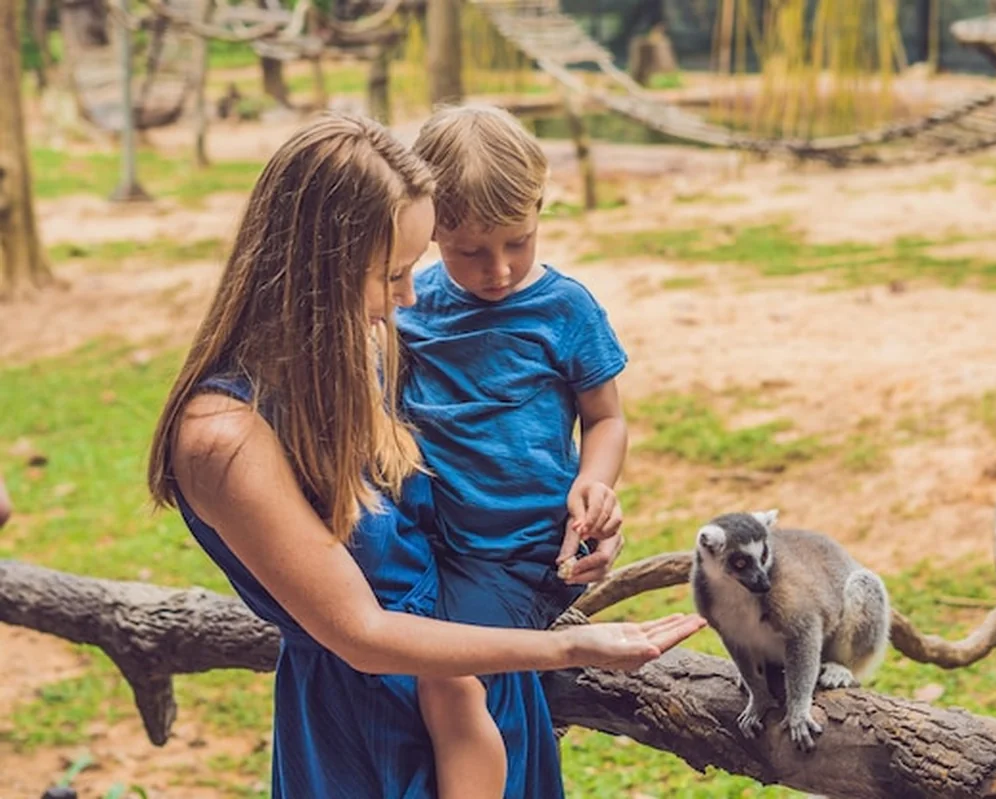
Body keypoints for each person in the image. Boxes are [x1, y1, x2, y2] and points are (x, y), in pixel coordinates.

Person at [145, 113, 704, 798]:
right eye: (395, 273)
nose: (412, 296)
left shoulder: (354, 354)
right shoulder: (223, 439)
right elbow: (361, 631)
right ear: (319, 273)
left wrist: (577, 518)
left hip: (479, 675)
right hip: (374, 721)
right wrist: (568, 647)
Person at [395, 103, 630, 798]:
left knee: (448, 674)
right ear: (429, 225)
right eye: (469, 250)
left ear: (538, 211)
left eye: (517, 242)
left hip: (524, 550)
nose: (497, 270)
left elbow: (606, 417)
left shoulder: (566, 309)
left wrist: (596, 483)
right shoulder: (411, 302)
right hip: (437, 539)